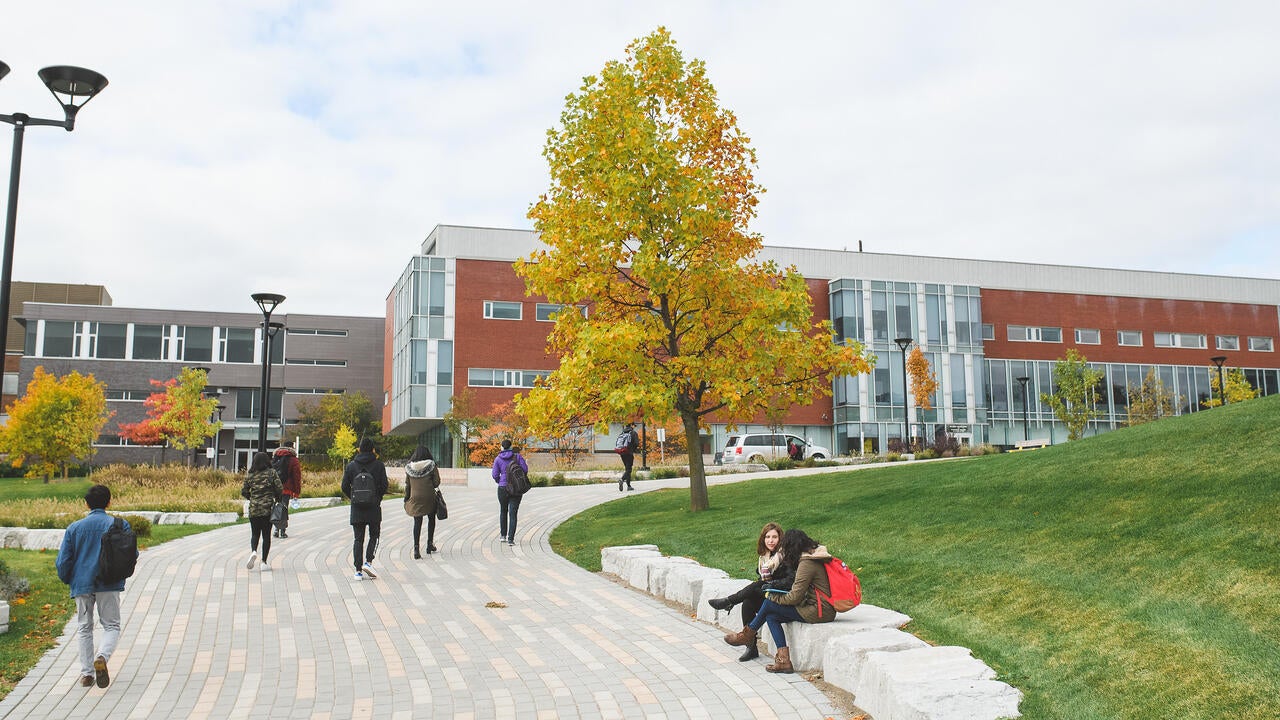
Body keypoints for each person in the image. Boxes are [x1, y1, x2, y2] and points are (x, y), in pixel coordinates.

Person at [56, 484, 137, 689]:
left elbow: (63, 561)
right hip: (109, 582)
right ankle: (102, 656)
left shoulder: (74, 528)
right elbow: (132, 554)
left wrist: (68, 579)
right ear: (109, 502)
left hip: (82, 584)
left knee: (84, 627)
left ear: (86, 503)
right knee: (111, 625)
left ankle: (86, 674)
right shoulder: (120, 525)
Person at [722, 528, 836, 674]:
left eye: (786, 548)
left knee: (769, 604)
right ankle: (784, 662)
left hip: (819, 611)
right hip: (818, 607)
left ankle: (747, 635)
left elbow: (795, 597)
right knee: (771, 616)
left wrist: (772, 597)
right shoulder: (810, 558)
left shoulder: (807, 563)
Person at [707, 522, 792, 661]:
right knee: (747, 602)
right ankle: (751, 648)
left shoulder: (785, 556)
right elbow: (763, 580)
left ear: (780, 538)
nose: (770, 540)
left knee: (756, 586)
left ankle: (730, 601)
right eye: (767, 537)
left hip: (781, 597)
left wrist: (764, 585)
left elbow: (787, 582)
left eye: (774, 537)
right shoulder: (765, 557)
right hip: (769, 594)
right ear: (763, 539)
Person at [341, 438, 389, 580]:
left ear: (359, 449)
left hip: (357, 509)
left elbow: (344, 486)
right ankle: (368, 562)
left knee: (358, 539)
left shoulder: (351, 466)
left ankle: (357, 571)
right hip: (373, 507)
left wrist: (354, 498)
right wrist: (377, 498)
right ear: (373, 449)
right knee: (374, 535)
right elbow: (384, 485)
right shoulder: (379, 465)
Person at [241, 451, 283, 571]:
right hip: (267, 509)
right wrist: (276, 498)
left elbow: (244, 491)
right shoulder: (271, 473)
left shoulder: (251, 475)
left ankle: (254, 551)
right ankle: (264, 562)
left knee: (255, 534)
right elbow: (279, 488)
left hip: (254, 509)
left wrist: (252, 498)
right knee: (266, 536)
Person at [403, 445, 441, 559]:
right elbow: (436, 483)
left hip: (415, 498)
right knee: (431, 519)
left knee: (417, 522)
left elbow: (407, 486)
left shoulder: (409, 468)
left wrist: (406, 498)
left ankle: (416, 549)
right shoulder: (431, 465)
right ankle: (430, 545)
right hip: (429, 497)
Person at [491, 439, 528, 546]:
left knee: (503, 511)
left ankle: (503, 536)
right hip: (516, 488)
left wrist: (501, 481)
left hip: (503, 488)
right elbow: (525, 470)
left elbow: (494, 475)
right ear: (511, 447)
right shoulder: (517, 457)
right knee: (513, 513)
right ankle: (511, 539)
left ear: (501, 447)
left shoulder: (498, 459)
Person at [272, 441, 303, 538]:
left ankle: (276, 529)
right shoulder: (293, 460)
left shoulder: (275, 457)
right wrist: (297, 492)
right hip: (286, 488)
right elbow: (296, 477)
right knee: (284, 508)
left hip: (274, 488)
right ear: (292, 447)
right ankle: (282, 531)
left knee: (276, 507)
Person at [617, 422, 639, 491]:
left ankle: (629, 486)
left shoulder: (622, 433)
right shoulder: (633, 433)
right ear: (631, 425)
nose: (634, 427)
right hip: (629, 453)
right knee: (629, 469)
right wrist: (634, 450)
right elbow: (636, 443)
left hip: (622, 453)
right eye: (634, 425)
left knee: (627, 469)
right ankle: (622, 479)